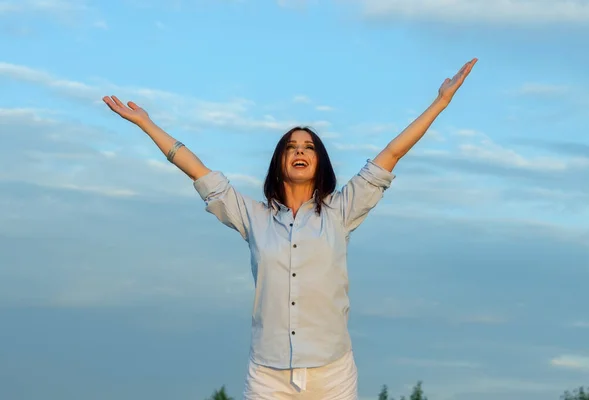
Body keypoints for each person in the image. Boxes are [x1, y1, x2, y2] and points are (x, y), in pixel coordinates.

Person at [102, 58, 477, 400]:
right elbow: (198, 171)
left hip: (332, 372)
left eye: (309, 147)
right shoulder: (252, 216)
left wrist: (440, 103)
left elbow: (391, 154)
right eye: (291, 146)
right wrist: (147, 124)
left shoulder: (341, 211)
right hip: (268, 374)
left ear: (320, 161)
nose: (300, 151)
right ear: (279, 160)